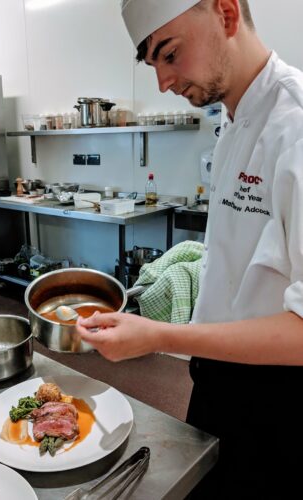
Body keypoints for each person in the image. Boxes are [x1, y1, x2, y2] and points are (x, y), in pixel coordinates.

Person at [76, 1, 303, 498]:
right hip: (216, 379)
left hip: (277, 400)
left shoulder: (296, 126)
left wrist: (160, 335)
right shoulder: (233, 121)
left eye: (170, 54)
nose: (162, 83)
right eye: (152, 64)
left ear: (224, 14)